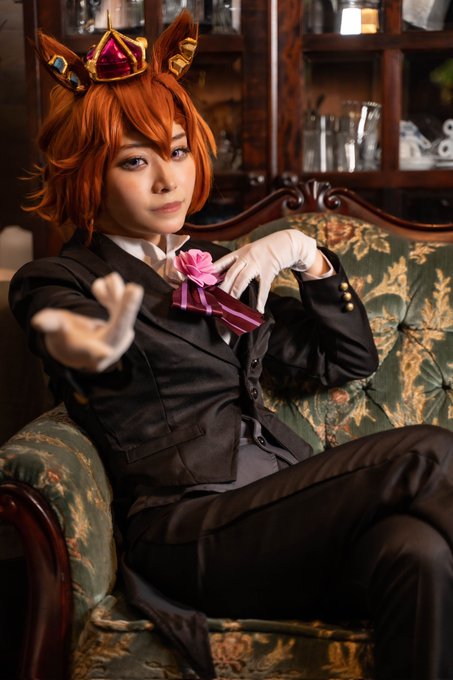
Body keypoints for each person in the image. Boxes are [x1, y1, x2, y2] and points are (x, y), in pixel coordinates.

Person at [9, 11, 453, 680]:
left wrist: (306, 255)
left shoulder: (217, 265)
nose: (168, 180)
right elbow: (66, 332)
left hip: (277, 513)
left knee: (417, 552)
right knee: (427, 452)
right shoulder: (62, 278)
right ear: (90, 174)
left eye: (177, 151)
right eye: (135, 161)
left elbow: (347, 360)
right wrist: (96, 340)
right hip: (188, 531)